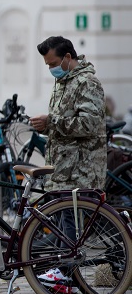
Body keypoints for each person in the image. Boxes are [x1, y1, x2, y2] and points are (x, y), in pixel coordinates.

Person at [29, 36, 107, 190]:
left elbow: (88, 125)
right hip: (60, 174)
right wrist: (44, 126)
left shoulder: (87, 82)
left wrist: (51, 121)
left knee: (73, 215)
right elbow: (62, 121)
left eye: (53, 64)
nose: (51, 69)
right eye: (48, 65)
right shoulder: (63, 82)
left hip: (81, 177)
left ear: (68, 57)